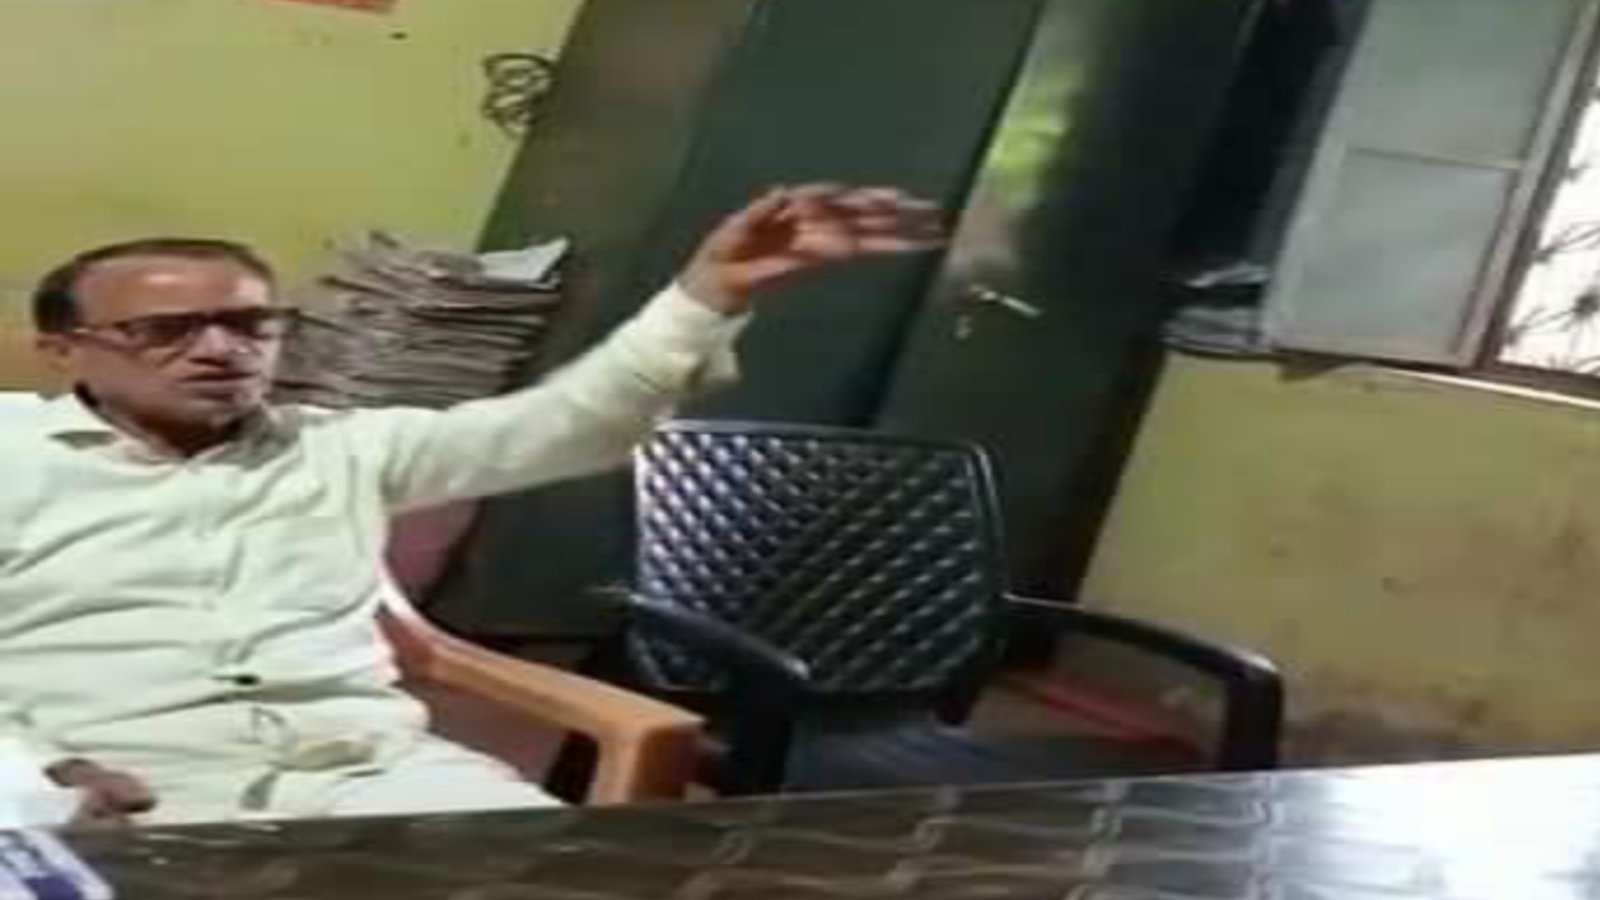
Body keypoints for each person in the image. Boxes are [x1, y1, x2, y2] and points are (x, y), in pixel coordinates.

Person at [3, 184, 942, 826]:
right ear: (64, 350)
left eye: (250, 323)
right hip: (114, 785)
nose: (220, 349)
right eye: (164, 330)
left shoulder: (345, 445)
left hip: (369, 778)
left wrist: (706, 295)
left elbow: (569, 425)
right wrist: (33, 775)